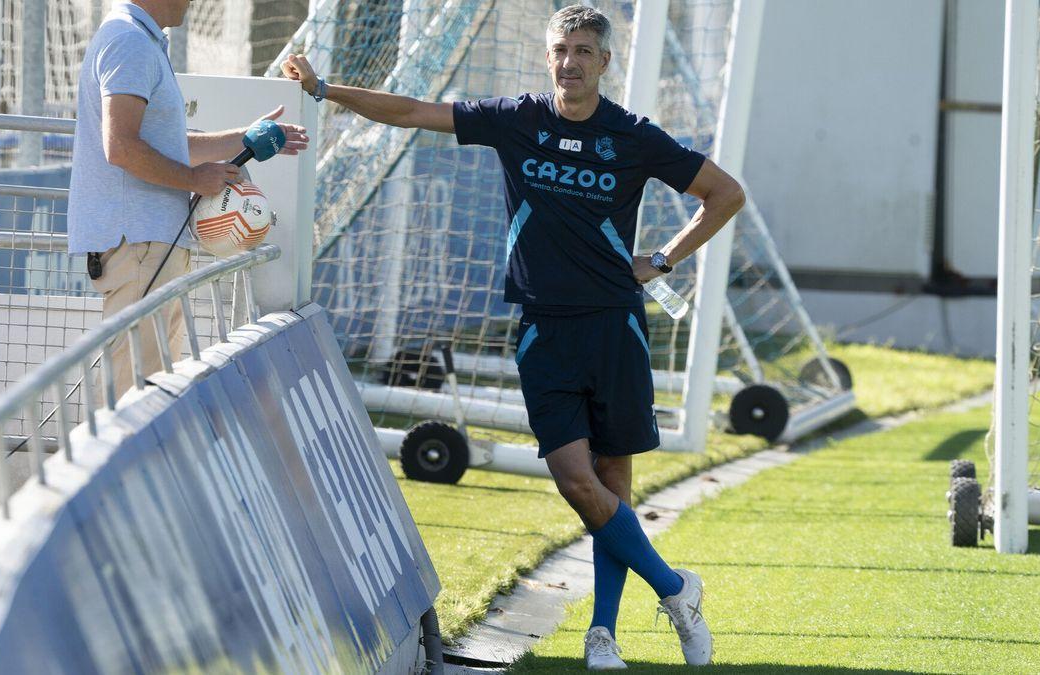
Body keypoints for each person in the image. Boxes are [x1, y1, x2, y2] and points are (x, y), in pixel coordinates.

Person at [281, 4, 744, 670]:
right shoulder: (517, 120)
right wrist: (326, 90)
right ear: (548, 55)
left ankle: (603, 634)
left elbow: (724, 193)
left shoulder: (634, 136)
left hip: (615, 326)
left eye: (584, 51)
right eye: (561, 49)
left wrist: (663, 259)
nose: (570, 62)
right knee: (577, 483)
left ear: (604, 62)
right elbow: (413, 111)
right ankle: (676, 588)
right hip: (541, 331)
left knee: (612, 480)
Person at [68, 0, 309, 400]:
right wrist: (194, 178)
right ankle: (129, 464)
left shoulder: (136, 38)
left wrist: (243, 139)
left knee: (149, 384)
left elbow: (164, 146)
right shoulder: (128, 40)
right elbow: (122, 147)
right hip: (141, 245)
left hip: (150, 245)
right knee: (134, 393)